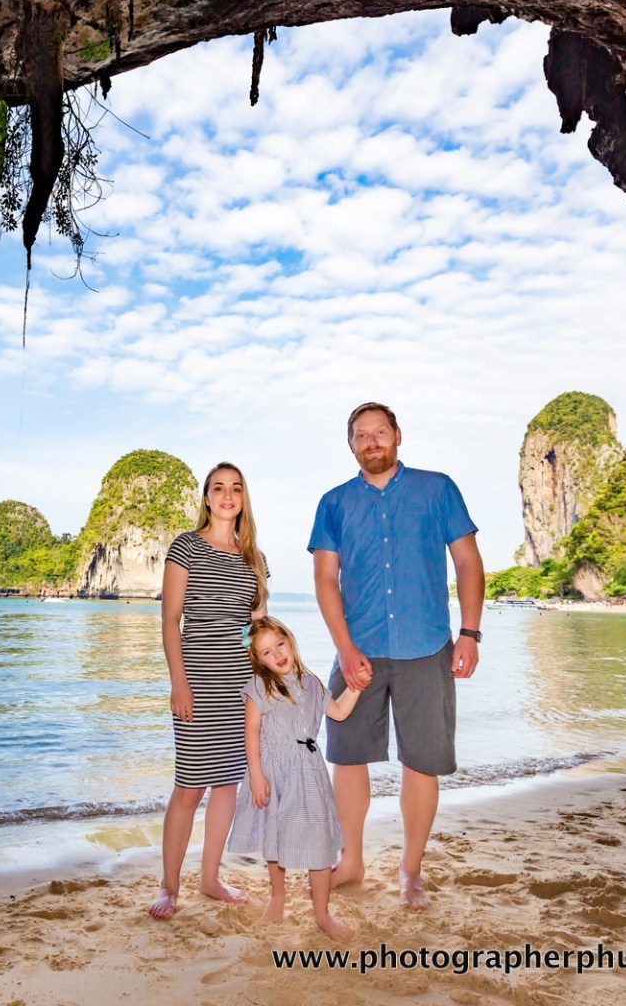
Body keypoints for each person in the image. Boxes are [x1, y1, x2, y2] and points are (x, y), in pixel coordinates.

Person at [310, 402, 483, 910]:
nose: (371, 442)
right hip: (357, 648)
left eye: (379, 432)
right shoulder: (334, 503)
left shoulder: (438, 489)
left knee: (421, 763)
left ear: (397, 436)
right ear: (350, 445)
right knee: (346, 757)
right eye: (361, 436)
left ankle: (411, 871)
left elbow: (468, 562)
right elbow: (324, 581)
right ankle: (352, 859)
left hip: (427, 646)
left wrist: (470, 633)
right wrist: (344, 649)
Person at [149, 462, 269, 920]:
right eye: (218, 488)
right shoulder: (186, 547)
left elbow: (257, 626)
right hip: (198, 678)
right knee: (188, 785)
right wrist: (178, 682)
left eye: (236, 488)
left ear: (243, 498)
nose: (227, 496)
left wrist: (273, 679)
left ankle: (210, 877)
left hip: (240, 680)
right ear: (205, 497)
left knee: (227, 783)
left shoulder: (253, 557)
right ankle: (168, 885)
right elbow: (170, 620)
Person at [228, 616, 362, 941]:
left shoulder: (312, 682)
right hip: (274, 773)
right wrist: (256, 776)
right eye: (266, 653)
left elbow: (340, 712)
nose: (277, 654)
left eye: (279, 645)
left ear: (290, 639)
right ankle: (277, 896)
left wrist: (356, 686)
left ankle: (322, 914)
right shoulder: (260, 686)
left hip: (310, 773)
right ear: (258, 661)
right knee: (276, 838)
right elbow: (251, 731)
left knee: (318, 842)